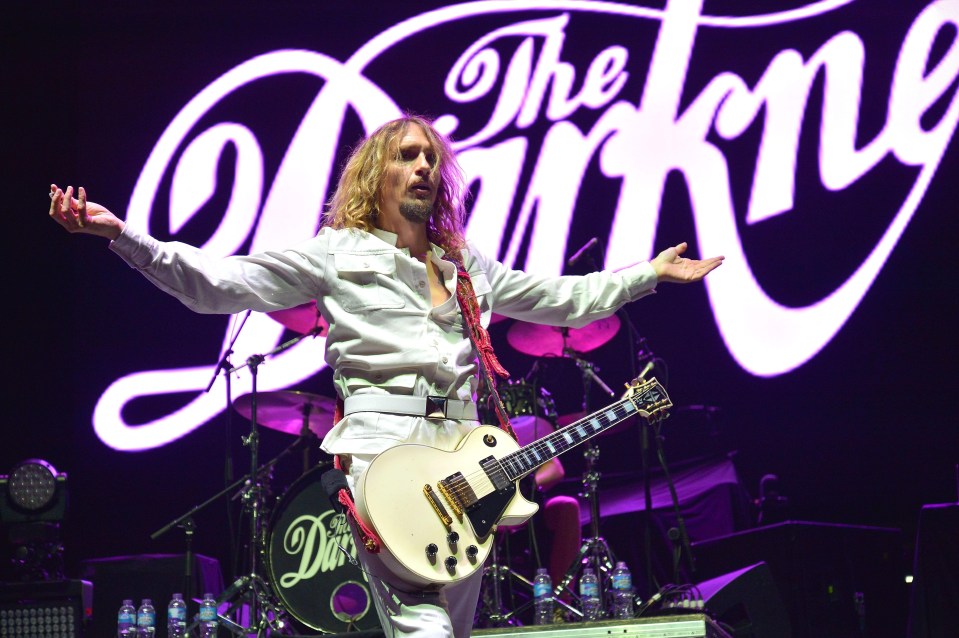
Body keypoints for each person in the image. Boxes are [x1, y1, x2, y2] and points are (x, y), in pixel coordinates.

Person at [48, 114, 723, 637]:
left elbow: (562, 297)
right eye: (407, 155)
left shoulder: (466, 269)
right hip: (382, 453)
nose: (424, 165)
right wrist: (122, 236)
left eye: (432, 157)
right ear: (375, 176)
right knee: (421, 620)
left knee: (446, 625)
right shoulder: (335, 255)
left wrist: (649, 275)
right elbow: (213, 282)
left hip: (465, 459)